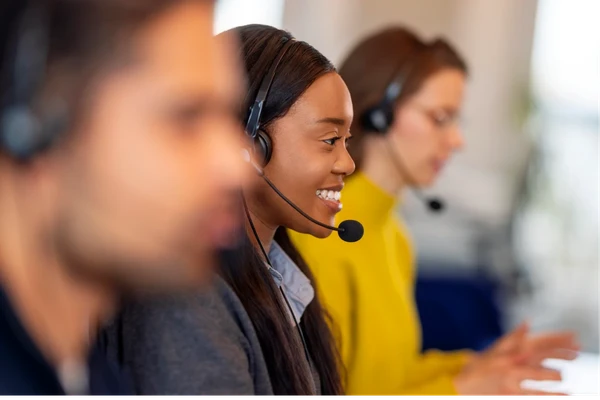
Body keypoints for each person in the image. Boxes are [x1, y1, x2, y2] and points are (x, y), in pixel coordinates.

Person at [290, 26, 580, 397]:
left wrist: (482, 366)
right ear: (379, 114)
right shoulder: (323, 233)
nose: (457, 140)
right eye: (440, 118)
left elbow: (391, 375)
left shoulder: (393, 235)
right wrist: (462, 390)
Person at [0, 0, 246, 396]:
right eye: (186, 118)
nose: (236, 167)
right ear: (34, 126)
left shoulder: (89, 376)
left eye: (228, 118)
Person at [104, 24, 355, 398]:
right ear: (250, 144)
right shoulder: (186, 302)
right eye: (330, 140)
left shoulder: (281, 276)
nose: (348, 164)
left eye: (347, 141)